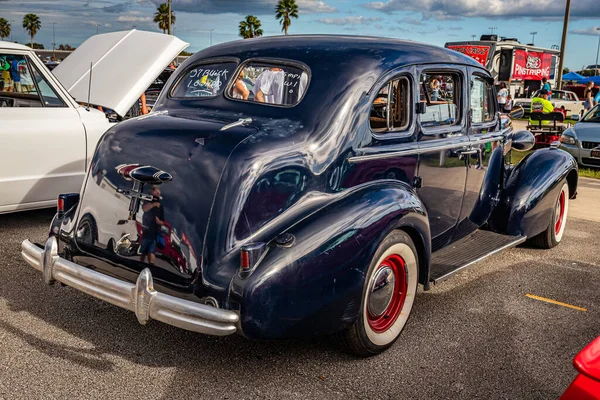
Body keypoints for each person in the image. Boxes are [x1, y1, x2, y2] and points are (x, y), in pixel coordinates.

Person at [139, 187, 165, 265]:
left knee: (152, 251)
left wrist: (159, 222)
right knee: (143, 251)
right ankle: (140, 264)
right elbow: (144, 209)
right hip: (146, 230)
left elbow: (162, 222)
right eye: (155, 192)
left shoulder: (161, 206)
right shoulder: (147, 200)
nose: (157, 194)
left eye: (158, 193)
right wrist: (153, 204)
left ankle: (151, 265)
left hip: (154, 233)